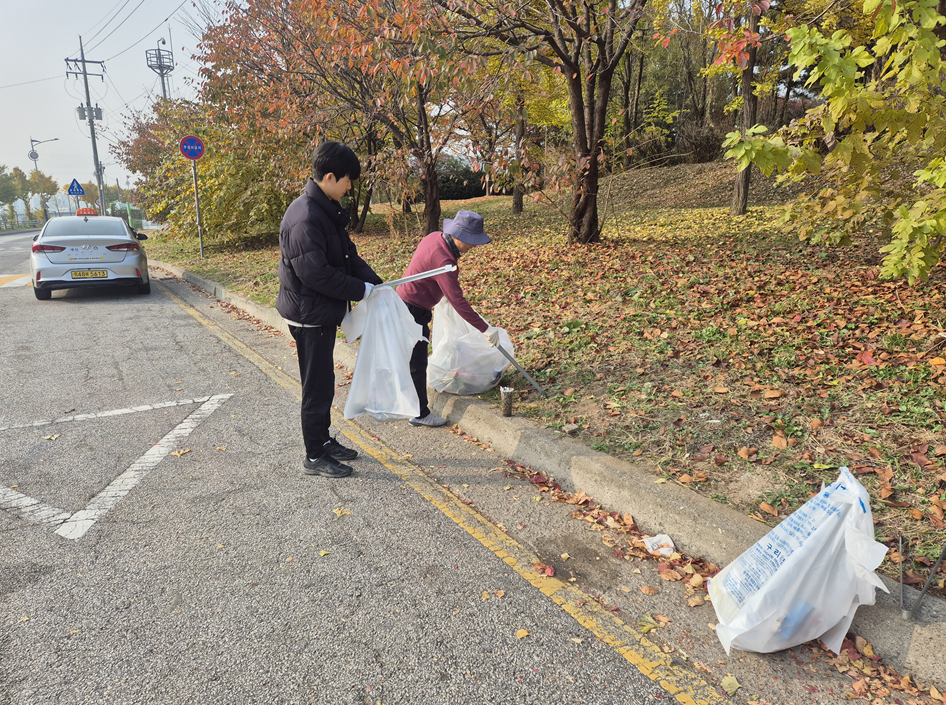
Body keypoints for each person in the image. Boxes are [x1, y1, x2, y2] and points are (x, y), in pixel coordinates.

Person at [277, 141, 382, 478]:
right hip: (308, 314)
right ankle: (314, 456)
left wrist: (376, 284)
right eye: (348, 180)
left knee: (324, 380)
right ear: (331, 177)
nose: (350, 187)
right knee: (317, 386)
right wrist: (360, 290)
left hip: (319, 310)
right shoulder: (305, 217)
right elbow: (317, 275)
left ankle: (323, 441)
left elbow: (348, 256)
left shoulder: (325, 209)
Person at [396, 209, 500, 428]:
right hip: (412, 309)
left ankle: (406, 403)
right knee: (417, 362)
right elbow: (458, 300)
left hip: (406, 302)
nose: (473, 247)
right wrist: (485, 329)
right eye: (471, 241)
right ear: (459, 236)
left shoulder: (434, 237)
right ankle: (419, 413)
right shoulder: (444, 260)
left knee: (410, 358)